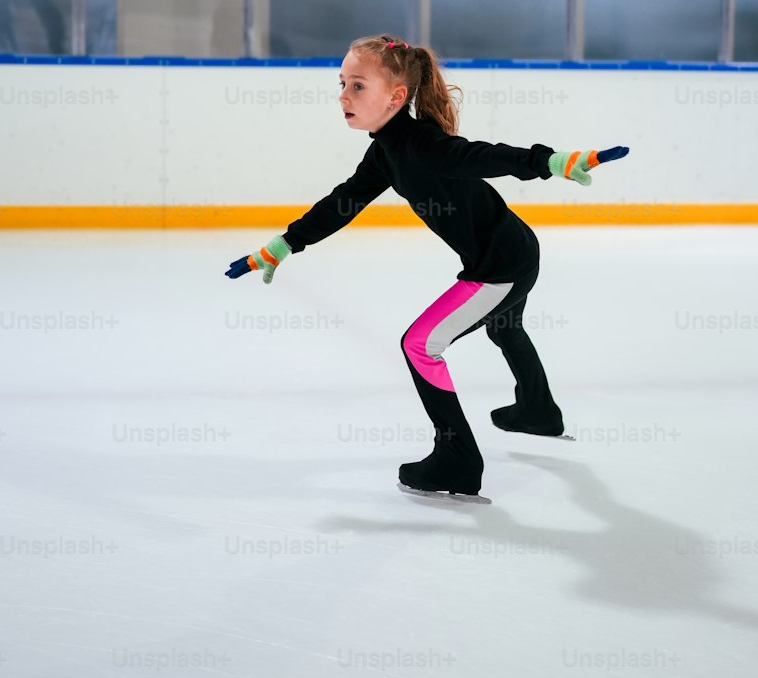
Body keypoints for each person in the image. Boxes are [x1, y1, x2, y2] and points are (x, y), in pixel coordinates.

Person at [225, 33, 626, 500]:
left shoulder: (421, 145)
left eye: (357, 86)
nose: (343, 96)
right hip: (516, 249)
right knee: (505, 328)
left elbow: (482, 155)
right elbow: (344, 201)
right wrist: (285, 244)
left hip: (499, 267)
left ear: (396, 97)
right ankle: (538, 411)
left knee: (420, 344)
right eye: (342, 83)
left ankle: (457, 460)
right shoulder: (387, 151)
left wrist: (551, 161)